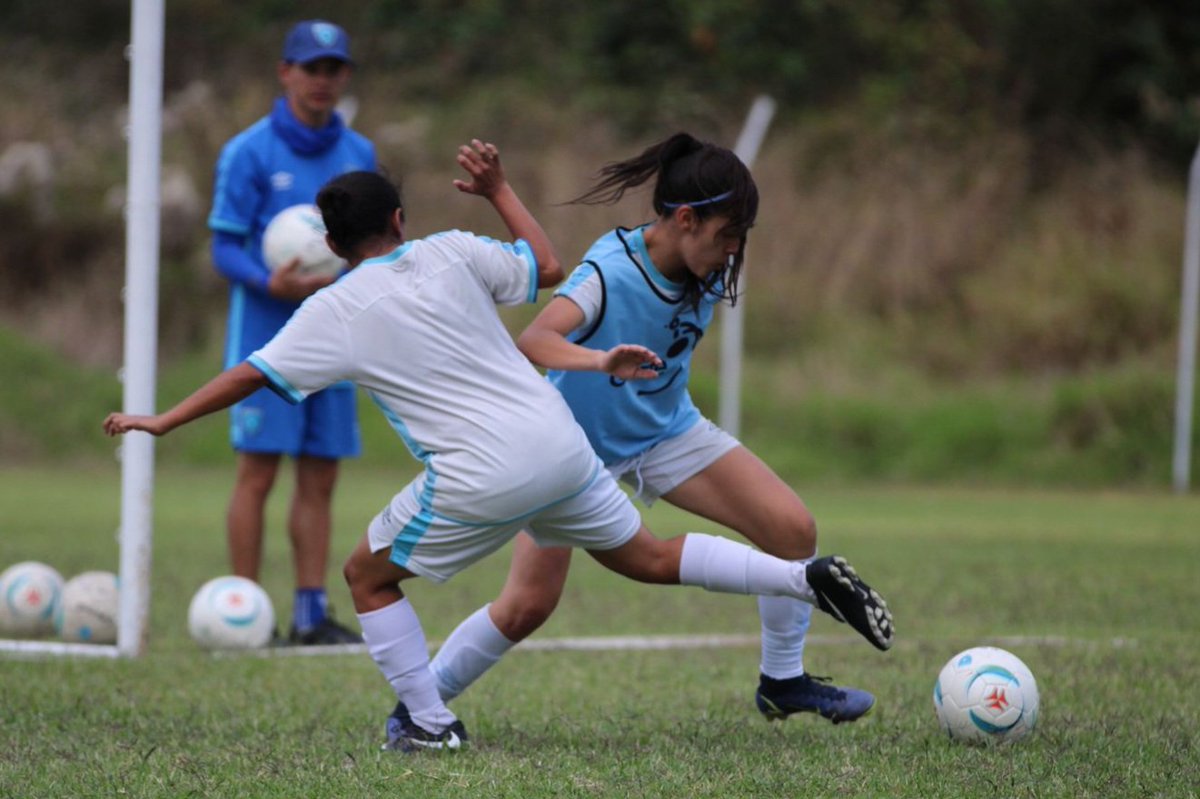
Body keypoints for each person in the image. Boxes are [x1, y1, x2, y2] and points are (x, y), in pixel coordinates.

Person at [104, 141, 893, 753]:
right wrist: (506, 206)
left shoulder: (335, 308)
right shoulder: (501, 256)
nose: (732, 252)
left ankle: (429, 717)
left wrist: (164, 419)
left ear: (329, 248)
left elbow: (251, 371)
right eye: (727, 235)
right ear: (402, 221)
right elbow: (543, 299)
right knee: (568, 588)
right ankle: (796, 580)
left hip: (573, 446)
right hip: (570, 440)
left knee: (369, 575)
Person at [424, 132, 877, 725]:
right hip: (574, 452)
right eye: (727, 234)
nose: (735, 250)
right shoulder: (611, 270)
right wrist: (599, 360)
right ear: (686, 219)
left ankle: (783, 682)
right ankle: (419, 701)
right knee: (526, 607)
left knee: (792, 528)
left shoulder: (709, 267)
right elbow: (535, 339)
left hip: (667, 432)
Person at [206, 20, 375, 645]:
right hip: (266, 334)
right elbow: (224, 248)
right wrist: (267, 282)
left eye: (334, 68)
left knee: (321, 474)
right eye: (311, 68)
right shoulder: (247, 152)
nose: (322, 80)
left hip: (337, 337)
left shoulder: (359, 154)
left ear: (345, 77)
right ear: (286, 73)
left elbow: (375, 247)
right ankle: (244, 614)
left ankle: (310, 615)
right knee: (258, 473)